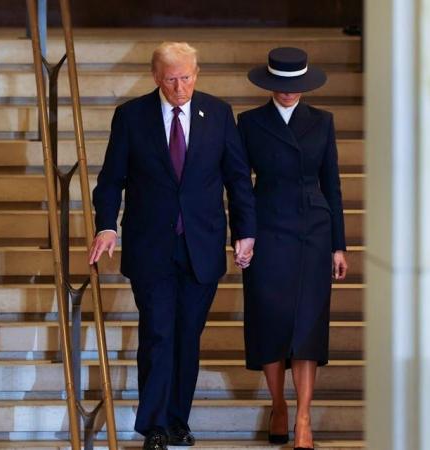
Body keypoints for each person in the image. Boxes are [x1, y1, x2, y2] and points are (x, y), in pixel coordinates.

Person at [89, 42, 256, 450]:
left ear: (196, 75)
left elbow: (237, 178)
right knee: (159, 334)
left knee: (187, 337)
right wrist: (107, 226)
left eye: (186, 78)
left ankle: (178, 420)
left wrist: (245, 232)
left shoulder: (217, 113)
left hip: (202, 245)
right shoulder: (131, 117)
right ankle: (155, 425)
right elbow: (111, 180)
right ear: (155, 77)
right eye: (171, 79)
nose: (179, 87)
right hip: (152, 247)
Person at [237, 47, 348, 450]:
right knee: (270, 320)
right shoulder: (248, 123)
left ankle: (303, 417)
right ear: (269, 85)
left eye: (295, 86)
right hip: (266, 229)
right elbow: (238, 184)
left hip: (312, 232)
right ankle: (278, 403)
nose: (288, 93)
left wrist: (339, 245)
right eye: (281, 86)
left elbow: (332, 186)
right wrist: (243, 233)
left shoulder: (323, 122)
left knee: (307, 323)